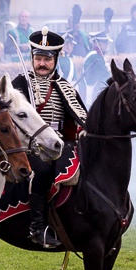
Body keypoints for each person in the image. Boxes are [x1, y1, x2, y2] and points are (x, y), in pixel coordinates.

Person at [11, 28, 88, 248]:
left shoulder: (65, 87)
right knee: (43, 171)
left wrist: (83, 131)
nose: (42, 63)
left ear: (55, 60)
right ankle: (38, 226)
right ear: (32, 59)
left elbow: (79, 117)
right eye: (38, 59)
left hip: (62, 143)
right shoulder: (20, 84)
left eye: (47, 59)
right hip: (30, 145)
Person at [80, 31, 111, 108]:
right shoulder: (95, 57)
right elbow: (105, 76)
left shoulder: (98, 56)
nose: (107, 45)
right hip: (92, 93)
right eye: (104, 42)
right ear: (96, 43)